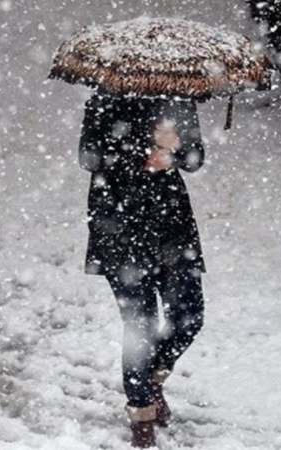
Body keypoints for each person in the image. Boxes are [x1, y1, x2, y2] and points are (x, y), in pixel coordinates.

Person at [78, 91, 206, 448]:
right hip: (120, 227)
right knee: (141, 326)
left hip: (172, 228)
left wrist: (175, 148)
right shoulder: (104, 100)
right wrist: (144, 151)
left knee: (189, 315)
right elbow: (89, 157)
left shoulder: (178, 98)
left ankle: (150, 379)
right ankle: (142, 415)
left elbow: (195, 159)